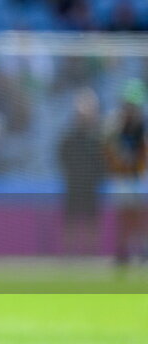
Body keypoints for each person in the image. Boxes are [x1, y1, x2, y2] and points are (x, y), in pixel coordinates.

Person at [56, 88, 106, 256]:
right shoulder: (69, 137)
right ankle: (69, 255)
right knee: (70, 220)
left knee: (92, 221)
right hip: (73, 185)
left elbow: (104, 162)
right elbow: (61, 157)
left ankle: (91, 255)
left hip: (91, 186)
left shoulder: (98, 137)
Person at [104, 79, 148, 270]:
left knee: (140, 215)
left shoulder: (143, 127)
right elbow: (109, 150)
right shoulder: (117, 125)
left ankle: (142, 250)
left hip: (139, 177)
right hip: (123, 178)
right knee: (124, 216)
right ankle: (123, 252)